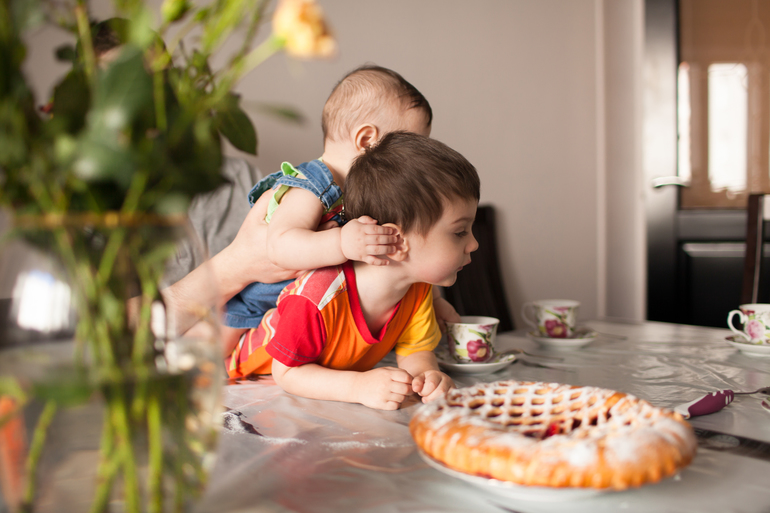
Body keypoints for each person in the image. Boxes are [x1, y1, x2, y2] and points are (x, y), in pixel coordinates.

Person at [226, 131, 479, 409]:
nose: (474, 244)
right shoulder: (316, 298)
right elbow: (286, 373)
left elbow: (415, 349)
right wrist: (358, 386)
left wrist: (427, 377)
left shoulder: (418, 289)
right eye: (460, 232)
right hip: (243, 380)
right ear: (395, 241)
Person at [219, 65, 460, 356]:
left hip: (316, 314)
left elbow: (407, 256)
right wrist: (343, 242)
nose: (417, 163)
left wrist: (435, 301)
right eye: (409, 149)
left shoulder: (375, 194)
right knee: (216, 360)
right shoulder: (312, 186)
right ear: (367, 140)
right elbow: (279, 246)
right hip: (254, 307)